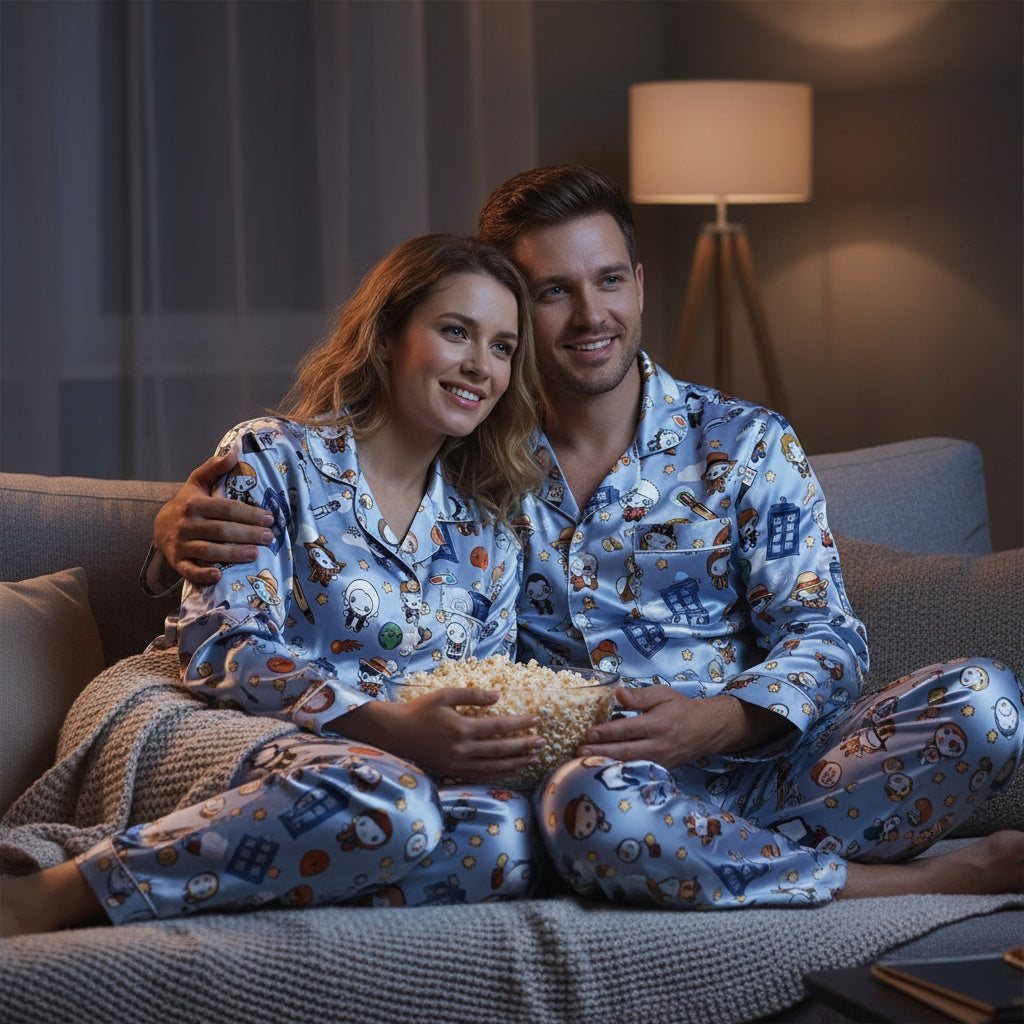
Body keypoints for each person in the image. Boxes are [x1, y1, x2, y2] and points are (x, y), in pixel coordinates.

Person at [142, 166, 1024, 909]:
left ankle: (703, 862)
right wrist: (171, 528)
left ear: (640, 284)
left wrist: (715, 722)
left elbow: (828, 640)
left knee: (986, 701)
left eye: (607, 280)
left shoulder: (747, 444)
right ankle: (868, 881)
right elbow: (338, 510)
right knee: (588, 806)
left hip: (769, 772)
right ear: (515, 311)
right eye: (551, 292)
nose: (589, 314)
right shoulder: (467, 455)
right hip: (590, 789)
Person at [0, 233, 551, 936]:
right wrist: (386, 728)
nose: (480, 365)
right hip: (207, 716)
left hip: (383, 766)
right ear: (386, 338)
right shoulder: (273, 455)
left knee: (504, 838)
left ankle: (259, 879)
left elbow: (478, 684)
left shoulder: (488, 534)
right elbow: (218, 642)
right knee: (390, 804)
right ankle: (52, 894)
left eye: (503, 347)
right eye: (455, 332)